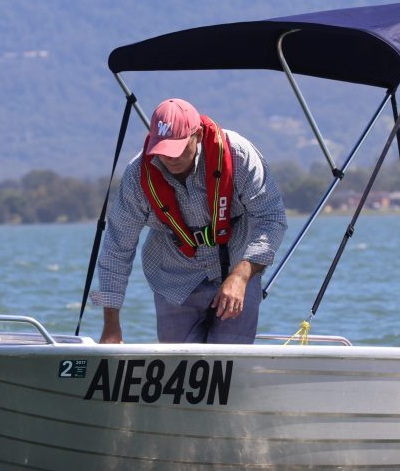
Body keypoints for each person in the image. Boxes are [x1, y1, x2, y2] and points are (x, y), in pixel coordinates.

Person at [92, 98, 286, 343]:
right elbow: (117, 248)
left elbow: (272, 218)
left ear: (198, 134)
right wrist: (111, 324)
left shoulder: (239, 155)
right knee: (177, 367)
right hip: (173, 278)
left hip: (237, 264)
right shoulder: (137, 175)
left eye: (178, 149)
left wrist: (241, 275)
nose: (170, 158)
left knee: (227, 364)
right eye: (162, 150)